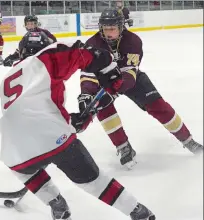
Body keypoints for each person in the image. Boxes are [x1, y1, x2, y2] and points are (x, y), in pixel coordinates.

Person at [0, 31, 161, 220]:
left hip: (11, 147)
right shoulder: (45, 56)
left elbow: (30, 115)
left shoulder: (8, 78)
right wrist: (109, 69)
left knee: (24, 170)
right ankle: (138, 212)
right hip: (51, 135)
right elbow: (82, 52)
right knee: (94, 181)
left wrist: (72, 122)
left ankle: (56, 204)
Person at [78, 8, 203, 168]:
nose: (108, 32)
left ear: (121, 27)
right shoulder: (92, 44)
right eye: (105, 28)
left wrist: (113, 93)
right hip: (105, 81)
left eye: (112, 29)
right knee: (102, 107)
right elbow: (88, 74)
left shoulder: (133, 41)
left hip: (131, 79)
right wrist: (86, 94)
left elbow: (129, 75)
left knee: (159, 106)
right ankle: (123, 147)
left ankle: (188, 140)